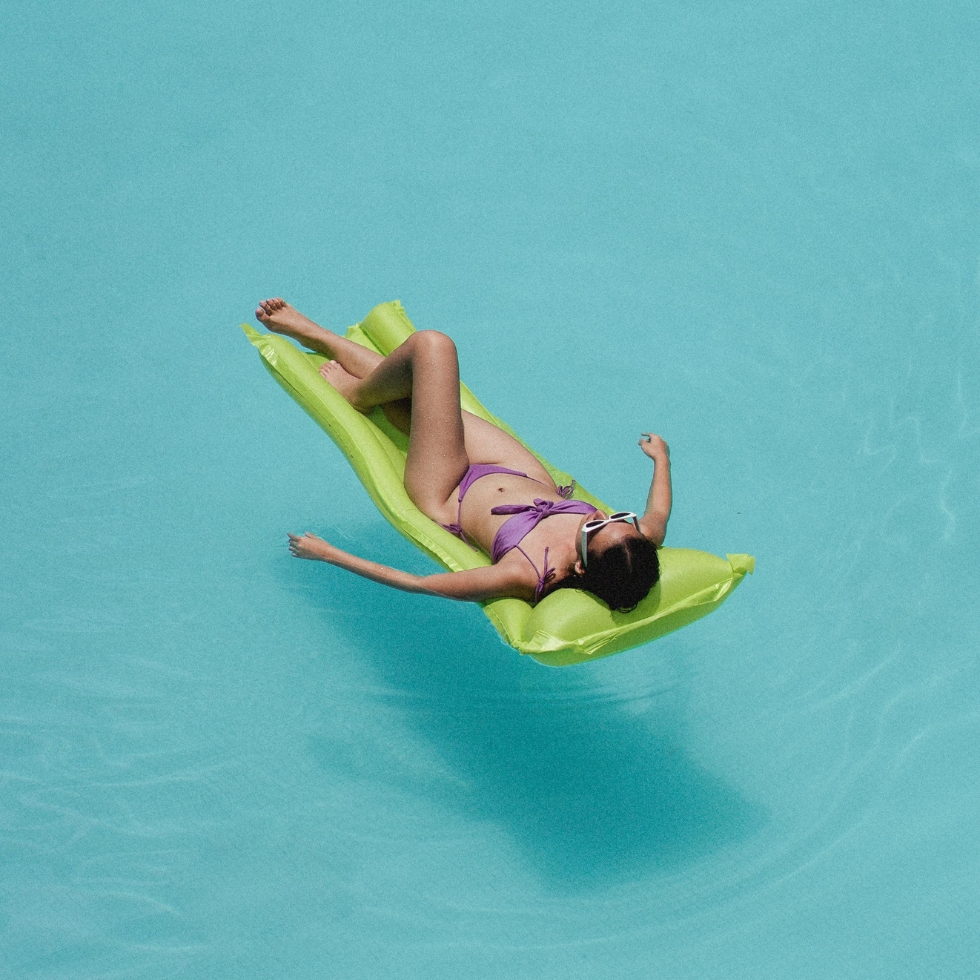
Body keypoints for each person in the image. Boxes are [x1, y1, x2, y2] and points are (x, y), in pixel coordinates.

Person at [255, 298, 672, 612]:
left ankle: (353, 386)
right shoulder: (636, 542)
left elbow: (423, 584)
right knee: (423, 391)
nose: (604, 515)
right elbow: (658, 515)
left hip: (449, 488)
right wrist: (660, 460)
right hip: (519, 472)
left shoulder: (525, 573)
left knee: (433, 348)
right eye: (620, 518)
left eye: (595, 529)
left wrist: (330, 554)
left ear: (581, 568)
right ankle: (326, 341)